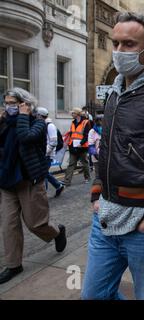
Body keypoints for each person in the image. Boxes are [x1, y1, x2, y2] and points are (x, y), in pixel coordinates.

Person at [81, 12, 144, 300]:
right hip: (104, 217)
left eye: (128, 44)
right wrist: (95, 193)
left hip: (143, 225)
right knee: (93, 296)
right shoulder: (114, 92)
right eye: (115, 43)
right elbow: (106, 148)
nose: (118, 52)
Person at [0, 88, 67, 284]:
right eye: (7, 102)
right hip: (6, 181)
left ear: (26, 104)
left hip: (28, 180)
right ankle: (14, 265)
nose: (10, 106)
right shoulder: (4, 123)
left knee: (35, 223)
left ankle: (57, 231)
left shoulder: (38, 122)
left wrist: (23, 115)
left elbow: (26, 137)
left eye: (14, 103)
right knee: (8, 225)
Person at [35, 107, 65, 197]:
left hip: (47, 155)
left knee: (43, 174)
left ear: (40, 116)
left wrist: (45, 152)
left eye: (36, 115)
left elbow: (53, 142)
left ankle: (43, 194)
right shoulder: (42, 124)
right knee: (44, 173)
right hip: (42, 154)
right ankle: (58, 185)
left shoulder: (50, 126)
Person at [63, 108, 91, 186]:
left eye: (73, 113)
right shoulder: (72, 123)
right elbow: (72, 134)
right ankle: (67, 181)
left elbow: (86, 135)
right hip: (73, 146)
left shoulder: (85, 122)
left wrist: (81, 143)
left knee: (84, 163)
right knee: (71, 164)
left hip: (82, 147)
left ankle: (87, 178)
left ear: (77, 114)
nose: (71, 115)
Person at [88, 114, 102, 179]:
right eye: (98, 120)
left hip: (107, 156)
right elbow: (91, 145)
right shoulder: (92, 131)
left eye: (101, 120)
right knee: (98, 175)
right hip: (97, 156)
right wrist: (96, 155)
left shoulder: (108, 129)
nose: (100, 122)